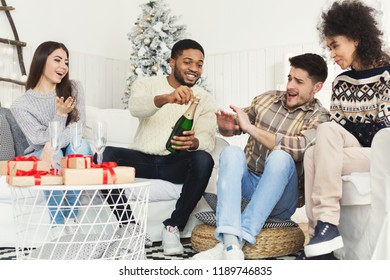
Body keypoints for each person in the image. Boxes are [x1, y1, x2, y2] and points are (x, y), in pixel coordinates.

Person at [192, 53, 329, 260]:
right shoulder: (266, 100)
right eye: (290, 78)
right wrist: (227, 127)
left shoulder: (320, 117)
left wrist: (250, 128)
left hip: (281, 198)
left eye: (299, 82)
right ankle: (230, 245)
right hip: (248, 187)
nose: (290, 85)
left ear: (316, 87)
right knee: (231, 152)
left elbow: (299, 147)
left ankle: (240, 236)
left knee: (281, 157)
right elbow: (237, 126)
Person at [101, 39, 217, 255]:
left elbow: (207, 138)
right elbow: (136, 107)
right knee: (106, 155)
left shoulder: (206, 99)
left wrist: (194, 142)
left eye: (199, 64)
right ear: (172, 62)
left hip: (175, 162)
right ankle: (130, 226)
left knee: (204, 158)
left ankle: (173, 227)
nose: (194, 69)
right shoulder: (146, 84)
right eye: (188, 62)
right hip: (141, 159)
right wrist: (166, 98)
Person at [302, 0, 390, 259]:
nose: (332, 53)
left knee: (321, 147)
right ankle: (321, 234)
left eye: (335, 45)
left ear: (356, 38)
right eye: (329, 47)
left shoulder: (387, 75)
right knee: (315, 148)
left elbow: (383, 130)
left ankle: (325, 227)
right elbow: (338, 129)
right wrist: (352, 128)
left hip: (381, 154)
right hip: (356, 153)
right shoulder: (342, 82)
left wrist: (351, 129)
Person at [10, 41, 92, 239]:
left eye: (66, 62)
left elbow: (78, 127)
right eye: (57, 60)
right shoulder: (21, 104)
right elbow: (38, 139)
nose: (63, 66)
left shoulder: (73, 87)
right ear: (41, 61)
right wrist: (60, 115)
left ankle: (71, 219)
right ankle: (58, 225)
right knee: (54, 154)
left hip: (69, 144)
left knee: (80, 145)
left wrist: (59, 144)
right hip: (41, 152)